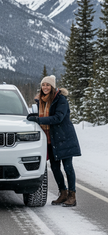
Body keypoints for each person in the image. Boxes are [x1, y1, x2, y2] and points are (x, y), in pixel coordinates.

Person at [27, 75, 81, 207]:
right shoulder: (40, 100)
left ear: (52, 87)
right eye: (43, 85)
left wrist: (38, 120)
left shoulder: (60, 99)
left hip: (64, 137)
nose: (45, 87)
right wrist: (34, 117)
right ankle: (63, 193)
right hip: (50, 139)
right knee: (55, 168)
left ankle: (72, 196)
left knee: (68, 167)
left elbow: (58, 118)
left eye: (48, 85)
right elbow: (44, 115)